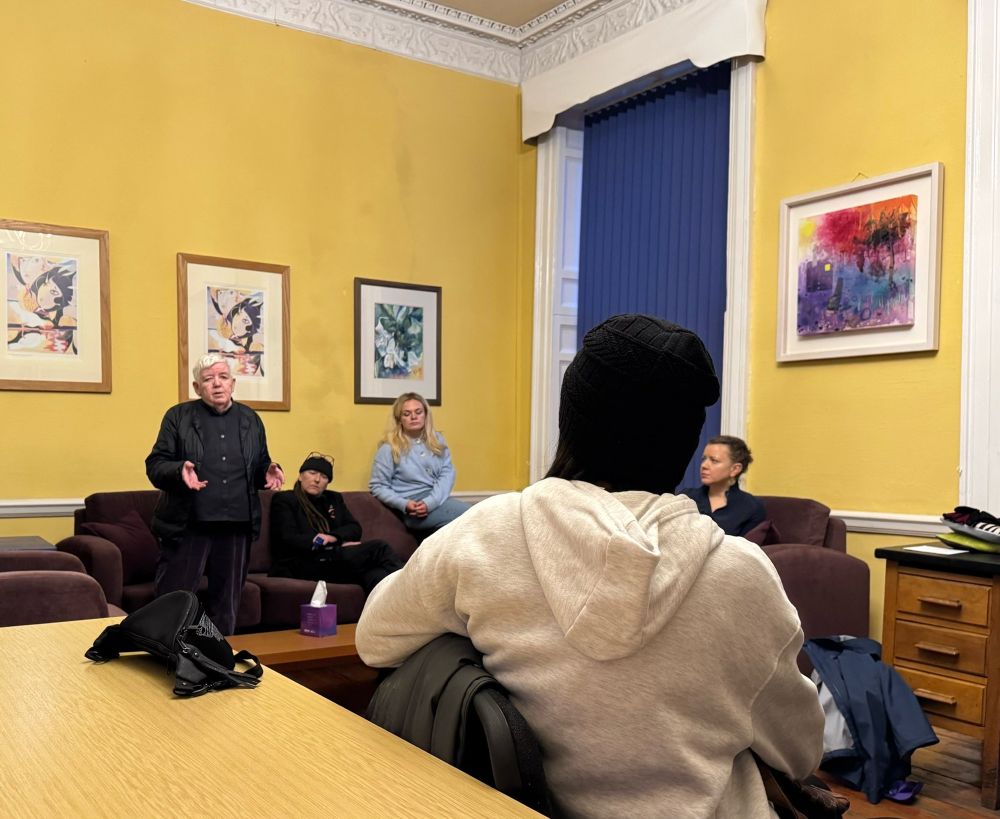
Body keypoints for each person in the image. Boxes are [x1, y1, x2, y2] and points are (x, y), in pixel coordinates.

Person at [356, 314, 824, 818]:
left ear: (570, 421)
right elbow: (801, 753)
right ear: (687, 442)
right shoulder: (741, 574)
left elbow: (375, 639)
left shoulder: (487, 533)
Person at [145, 353, 284, 635]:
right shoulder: (178, 417)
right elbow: (155, 465)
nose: (217, 384)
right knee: (174, 602)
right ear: (197, 387)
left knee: (226, 606)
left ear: (233, 383)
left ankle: (219, 656)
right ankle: (165, 652)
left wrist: (267, 471)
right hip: (189, 525)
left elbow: (258, 465)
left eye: (223, 377)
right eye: (208, 379)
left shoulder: (251, 419)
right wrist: (179, 470)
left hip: (236, 526)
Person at [270, 453, 403, 594]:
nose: (317, 479)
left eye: (324, 477)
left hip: (332, 559)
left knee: (376, 575)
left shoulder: (333, 499)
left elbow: (354, 528)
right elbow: (287, 538)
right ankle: (410, 584)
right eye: (312, 473)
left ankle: (400, 605)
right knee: (379, 547)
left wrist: (332, 538)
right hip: (302, 563)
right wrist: (331, 544)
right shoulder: (285, 499)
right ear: (300, 476)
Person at [368, 392, 469, 532]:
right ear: (399, 419)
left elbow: (447, 473)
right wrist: (404, 504)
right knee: (471, 517)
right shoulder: (389, 448)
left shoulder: (437, 440)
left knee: (469, 522)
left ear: (426, 415)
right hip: (414, 508)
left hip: (438, 500)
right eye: (406, 414)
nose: (413, 417)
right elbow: (378, 486)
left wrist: (431, 502)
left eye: (418, 412)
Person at [680, 435, 767, 537]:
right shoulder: (686, 497)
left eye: (714, 460)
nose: (704, 465)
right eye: (704, 459)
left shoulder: (751, 507)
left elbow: (746, 545)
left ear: (735, 469)